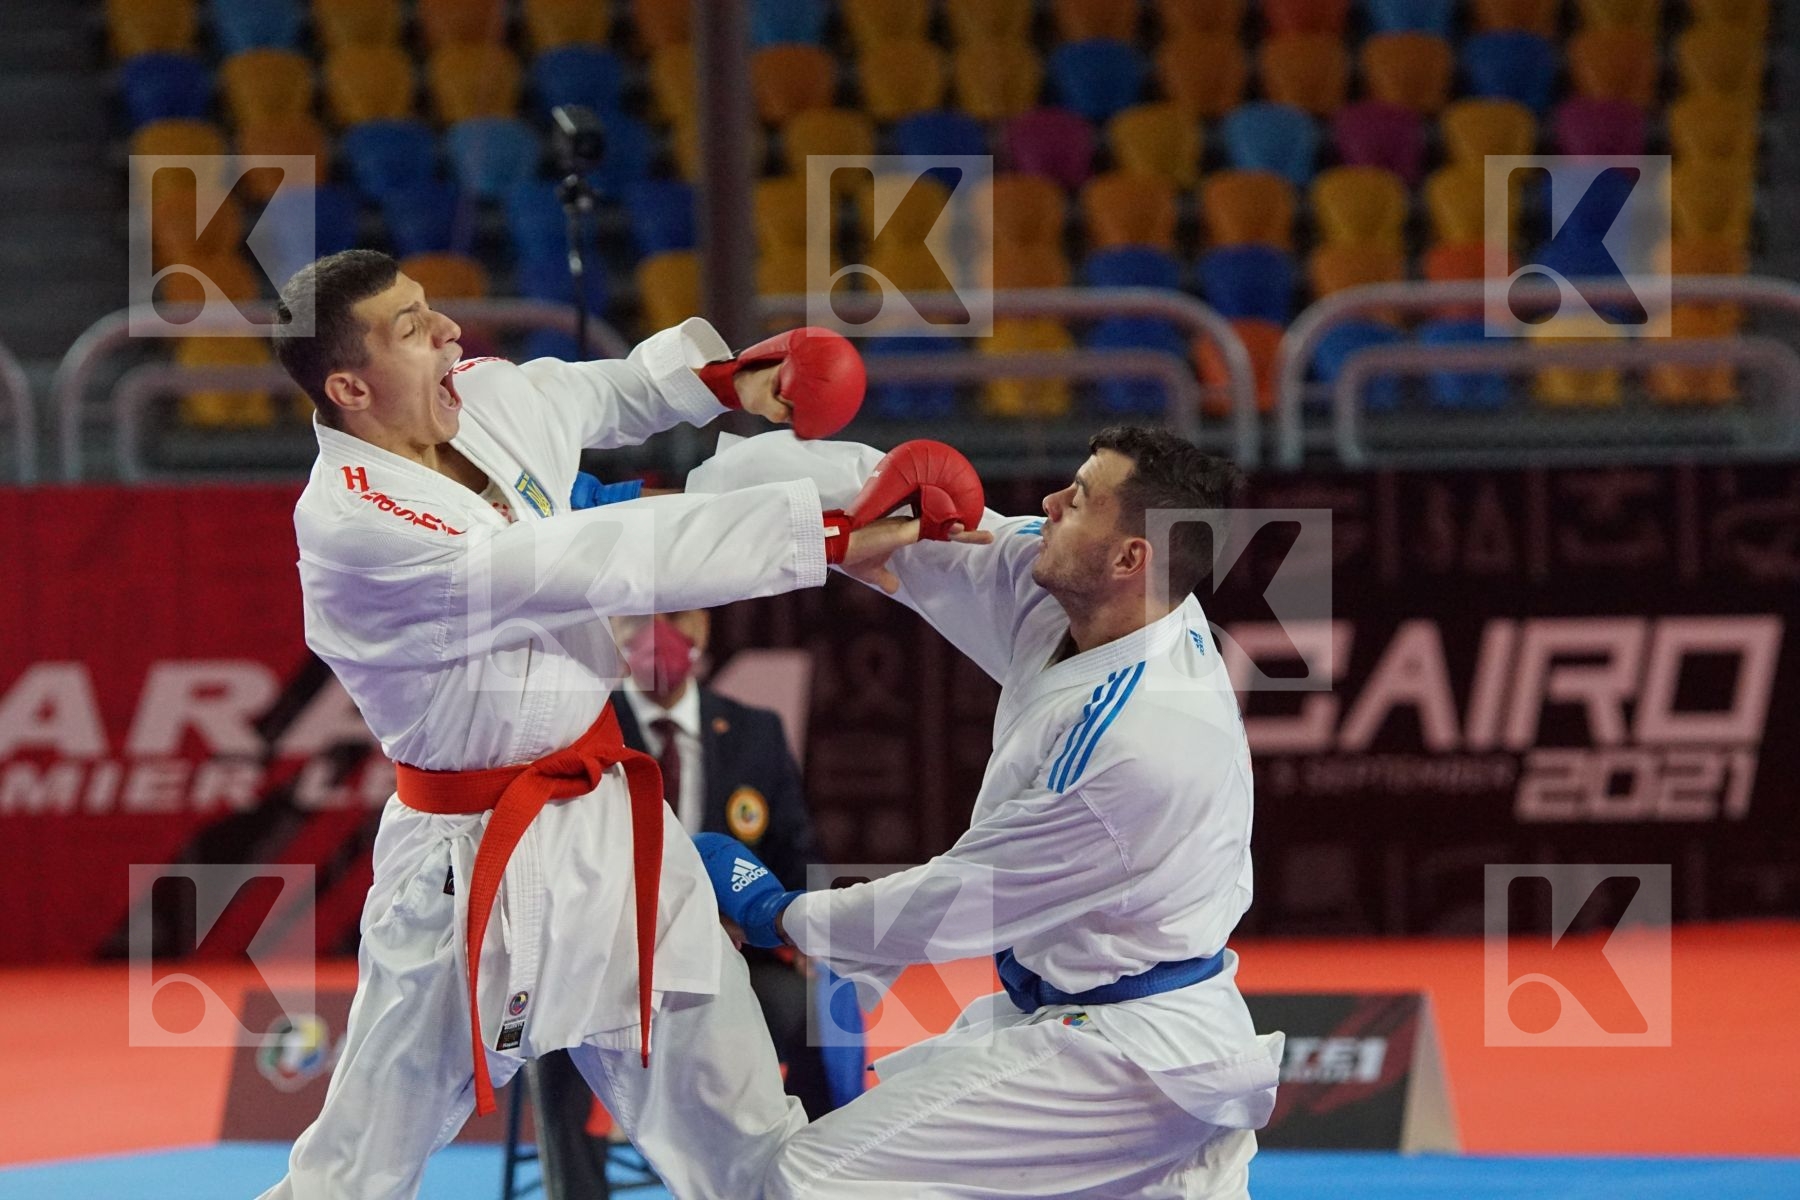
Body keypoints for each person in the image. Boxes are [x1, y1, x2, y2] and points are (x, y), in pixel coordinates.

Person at [253, 249, 941, 1199]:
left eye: (434, 311)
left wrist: (716, 380)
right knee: (357, 1172)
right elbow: (586, 557)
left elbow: (579, 396)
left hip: (619, 835)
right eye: (412, 328)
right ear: (348, 385)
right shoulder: (356, 525)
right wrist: (818, 533)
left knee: (749, 1141)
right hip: (472, 868)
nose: (451, 332)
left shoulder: (475, 400)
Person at [684, 426, 1287, 1199]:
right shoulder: (1096, 595)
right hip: (1102, 1017)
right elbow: (898, 514)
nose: (1045, 504)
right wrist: (719, 480)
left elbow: (957, 902)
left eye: (1076, 501)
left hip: (1132, 1063)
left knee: (803, 1183)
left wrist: (775, 911)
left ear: (1130, 558)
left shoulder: (1136, 744)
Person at [527, 605, 847, 1198]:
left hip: (737, 952)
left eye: (674, 615)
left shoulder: (755, 732)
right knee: (556, 1029)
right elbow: (555, 858)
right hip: (606, 957)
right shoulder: (578, 732)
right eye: (636, 620)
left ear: (703, 628)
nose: (658, 635)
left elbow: (797, 852)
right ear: (611, 635)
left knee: (810, 1007)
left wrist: (778, 925)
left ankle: (815, 1181)